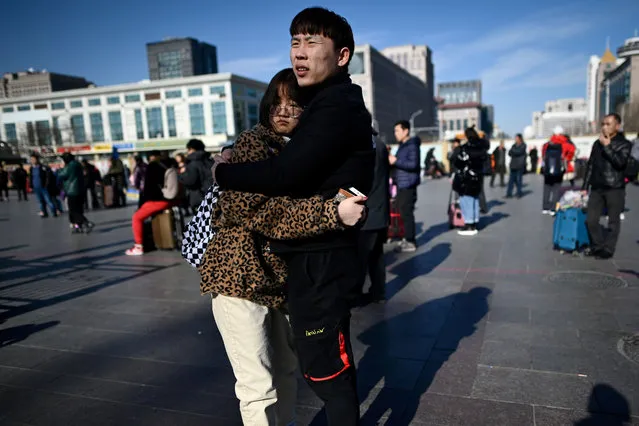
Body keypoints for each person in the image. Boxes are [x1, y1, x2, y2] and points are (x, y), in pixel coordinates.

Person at [212, 8, 374, 425]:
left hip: (302, 269)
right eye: (294, 42)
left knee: (311, 371)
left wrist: (222, 171)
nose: (300, 53)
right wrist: (331, 211)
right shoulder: (254, 145)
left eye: (311, 43)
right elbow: (267, 209)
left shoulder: (332, 110)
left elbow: (287, 178)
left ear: (341, 55)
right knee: (263, 382)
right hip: (243, 276)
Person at [583, 113, 631, 259]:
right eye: (603, 124)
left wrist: (608, 146)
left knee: (613, 221)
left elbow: (620, 163)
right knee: (590, 220)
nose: (604, 127)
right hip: (597, 187)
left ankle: (608, 249)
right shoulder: (597, 143)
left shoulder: (624, 144)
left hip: (614, 187)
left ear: (617, 126)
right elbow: (590, 165)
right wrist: (585, 186)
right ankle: (597, 245)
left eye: (608, 124)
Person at [125, 151, 178, 255]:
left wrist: (144, 202)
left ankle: (138, 246)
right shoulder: (170, 164)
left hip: (159, 200)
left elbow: (149, 188)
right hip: (172, 199)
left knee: (137, 217)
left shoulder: (153, 166)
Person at [359, 131, 390, 304]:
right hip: (380, 209)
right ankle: (378, 292)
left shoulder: (363, 145)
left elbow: (358, 180)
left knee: (361, 257)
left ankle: (355, 295)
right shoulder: (379, 143)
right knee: (376, 256)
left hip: (367, 213)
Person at [389, 120, 420, 253]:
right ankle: (407, 238)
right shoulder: (402, 146)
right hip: (402, 184)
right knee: (402, 211)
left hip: (408, 184)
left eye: (397, 130)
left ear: (406, 131)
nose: (395, 133)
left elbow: (413, 165)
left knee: (407, 213)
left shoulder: (412, 146)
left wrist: (396, 161)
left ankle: (411, 241)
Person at [453, 127, 489, 236]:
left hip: (466, 178)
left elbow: (458, 161)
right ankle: (474, 221)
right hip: (478, 177)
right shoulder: (481, 147)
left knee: (466, 199)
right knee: (474, 199)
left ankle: (469, 224)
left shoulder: (466, 148)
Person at [58, 153, 93, 233]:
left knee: (73, 210)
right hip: (80, 189)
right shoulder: (77, 164)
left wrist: (60, 169)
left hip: (72, 190)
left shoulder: (70, 166)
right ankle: (78, 226)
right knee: (78, 209)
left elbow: (63, 175)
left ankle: (86, 222)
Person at [179, 139, 213, 213]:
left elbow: (190, 181)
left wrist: (181, 175)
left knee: (203, 222)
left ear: (191, 149)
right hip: (214, 196)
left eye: (188, 150)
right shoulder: (210, 161)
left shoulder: (193, 163)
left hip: (200, 198)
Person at [541, 134, 566, 214]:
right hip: (558, 172)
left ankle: (545, 208)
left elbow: (543, 158)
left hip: (547, 172)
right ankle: (552, 209)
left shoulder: (546, 146)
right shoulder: (562, 146)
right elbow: (564, 158)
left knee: (546, 189)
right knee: (556, 190)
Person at [506, 133, 527, 198]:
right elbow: (509, 153)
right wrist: (513, 151)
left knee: (518, 180)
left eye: (517, 138)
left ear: (520, 139)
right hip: (513, 165)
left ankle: (519, 193)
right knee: (511, 181)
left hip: (519, 165)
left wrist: (513, 151)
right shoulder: (514, 145)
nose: (515, 139)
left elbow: (519, 152)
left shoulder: (523, 145)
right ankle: (509, 193)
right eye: (515, 138)